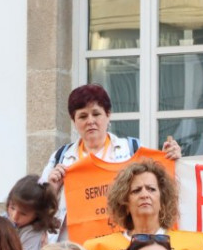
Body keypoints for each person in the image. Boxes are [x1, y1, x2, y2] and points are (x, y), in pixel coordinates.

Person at [38, 84, 181, 236]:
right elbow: (37, 208)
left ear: (108, 115)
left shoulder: (132, 150)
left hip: (123, 245)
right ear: (74, 121)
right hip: (75, 249)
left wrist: (173, 158)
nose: (90, 121)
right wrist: (52, 188)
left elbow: (165, 187)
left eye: (96, 114)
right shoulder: (61, 157)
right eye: (83, 116)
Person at [7, 174, 60, 250]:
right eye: (12, 207)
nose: (14, 216)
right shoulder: (11, 222)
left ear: (38, 214)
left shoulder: (32, 233)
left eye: (23, 213)